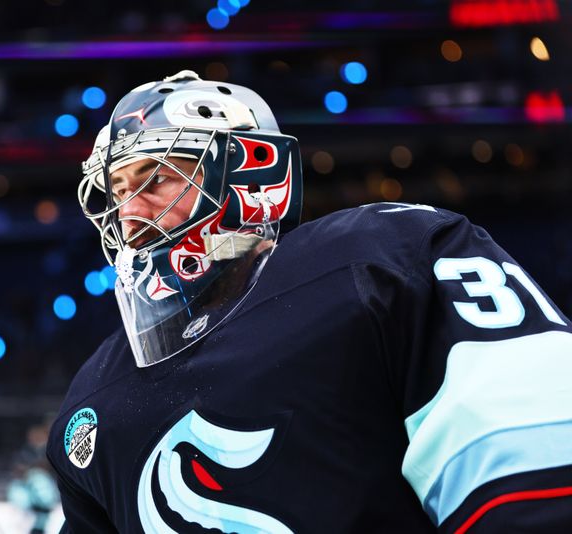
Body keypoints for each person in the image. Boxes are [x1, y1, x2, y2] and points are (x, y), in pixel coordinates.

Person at [47, 70, 572, 533]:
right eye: (117, 190)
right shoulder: (94, 398)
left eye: (157, 177)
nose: (129, 211)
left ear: (250, 173)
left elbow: (529, 470)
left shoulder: (380, 261)